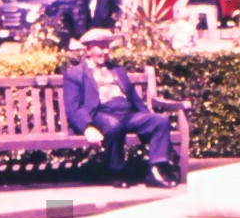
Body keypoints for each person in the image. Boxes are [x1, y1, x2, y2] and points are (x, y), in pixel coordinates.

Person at [62, 29, 177, 188]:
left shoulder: (117, 69)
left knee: (159, 121)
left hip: (127, 114)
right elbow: (73, 107)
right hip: (99, 114)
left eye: (107, 47)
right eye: (100, 47)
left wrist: (146, 117)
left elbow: (133, 98)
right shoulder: (75, 74)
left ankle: (156, 170)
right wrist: (88, 128)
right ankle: (117, 172)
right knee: (113, 126)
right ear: (88, 49)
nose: (105, 51)